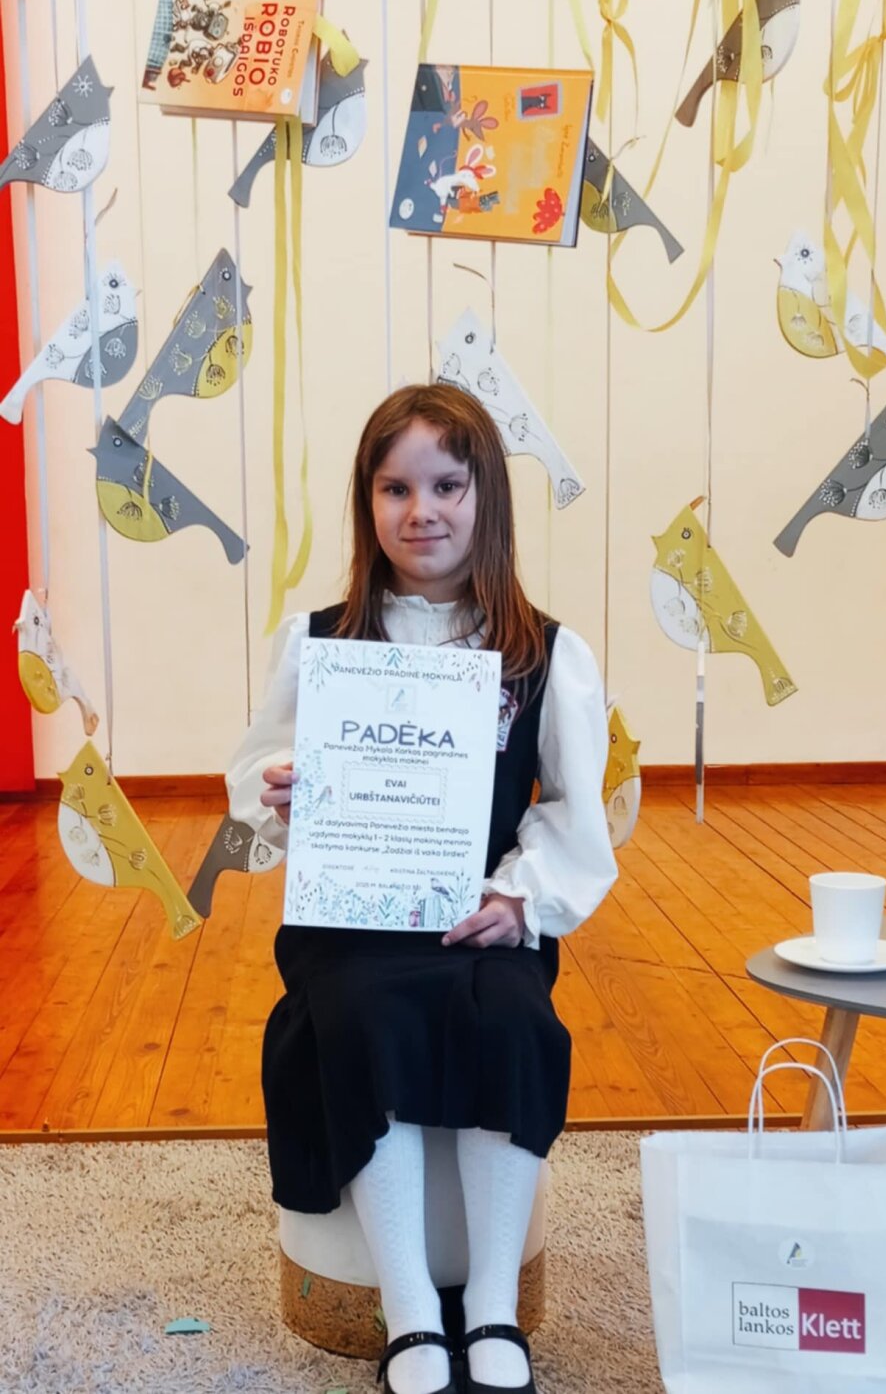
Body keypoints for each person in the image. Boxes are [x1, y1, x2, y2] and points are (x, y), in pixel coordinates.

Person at [226, 384, 618, 1394]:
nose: (421, 510)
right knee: (363, 1016)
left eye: (447, 485)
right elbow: (258, 763)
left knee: (516, 1023)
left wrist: (522, 900)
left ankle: (490, 1304)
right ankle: (409, 1312)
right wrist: (279, 787)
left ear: (488, 498)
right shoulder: (320, 639)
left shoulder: (544, 652)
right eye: (395, 488)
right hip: (351, 924)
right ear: (367, 502)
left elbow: (572, 809)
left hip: (481, 916)